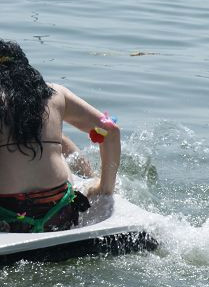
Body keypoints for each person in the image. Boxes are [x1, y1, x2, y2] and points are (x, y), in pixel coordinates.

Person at [0, 39, 120, 233]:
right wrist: (105, 189)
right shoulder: (55, 94)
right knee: (60, 142)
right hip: (58, 213)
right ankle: (95, 180)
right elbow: (111, 130)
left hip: (7, 217)